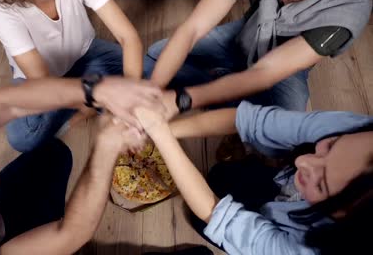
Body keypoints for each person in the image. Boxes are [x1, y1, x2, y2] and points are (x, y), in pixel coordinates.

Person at [0, 77, 157, 255]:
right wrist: (105, 148)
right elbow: (69, 235)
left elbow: (5, 103)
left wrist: (95, 89)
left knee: (52, 153)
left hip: (0, 222)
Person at [133, 101, 373, 254]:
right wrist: (158, 132)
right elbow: (251, 120)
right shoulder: (360, 132)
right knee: (220, 175)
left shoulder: (307, 250)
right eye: (331, 145)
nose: (303, 160)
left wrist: (159, 133)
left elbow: (218, 216)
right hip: (278, 189)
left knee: (202, 222)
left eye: (322, 184)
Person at [144, 0, 372, 115]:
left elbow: (265, 73)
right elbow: (192, 29)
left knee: (280, 135)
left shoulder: (349, 9)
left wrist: (181, 100)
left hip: (285, 65)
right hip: (245, 33)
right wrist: (151, 93)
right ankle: (226, 88)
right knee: (157, 54)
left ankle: (230, 99)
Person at [0, 0, 144, 152]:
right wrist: (98, 97)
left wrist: (129, 100)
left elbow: (128, 37)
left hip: (85, 53)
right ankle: (89, 106)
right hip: (42, 81)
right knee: (22, 137)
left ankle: (87, 104)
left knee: (140, 70)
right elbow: (41, 80)